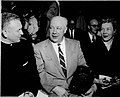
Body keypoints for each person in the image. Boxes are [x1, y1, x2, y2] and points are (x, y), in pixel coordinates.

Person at [33, 16, 96, 97]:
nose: (54, 32)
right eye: (51, 28)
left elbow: (84, 68)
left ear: (65, 30)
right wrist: (54, 88)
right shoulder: (39, 48)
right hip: (54, 92)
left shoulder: (75, 44)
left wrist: (90, 86)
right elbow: (40, 72)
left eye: (58, 28)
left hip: (76, 90)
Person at [1, 12, 40, 96]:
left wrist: (31, 92)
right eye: (18, 30)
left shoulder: (26, 45)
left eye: (21, 29)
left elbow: (33, 73)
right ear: (5, 33)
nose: (22, 33)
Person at [90, 17, 120, 97]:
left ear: (114, 31)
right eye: (102, 29)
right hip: (98, 90)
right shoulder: (93, 48)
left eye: (108, 29)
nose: (105, 32)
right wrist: (97, 81)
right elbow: (89, 70)